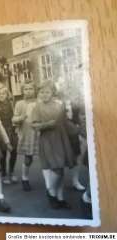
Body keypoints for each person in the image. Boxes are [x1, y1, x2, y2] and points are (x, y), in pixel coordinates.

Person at [31, 81, 76, 209]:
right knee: (57, 168)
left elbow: (65, 122)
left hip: (60, 139)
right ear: (39, 94)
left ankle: (60, 198)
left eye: (47, 92)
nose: (44, 94)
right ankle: (51, 192)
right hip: (47, 140)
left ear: (52, 93)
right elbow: (34, 125)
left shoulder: (58, 106)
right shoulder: (37, 108)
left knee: (60, 170)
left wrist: (78, 131)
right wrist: (46, 125)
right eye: (42, 92)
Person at [12, 82, 39, 191]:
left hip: (40, 132)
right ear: (23, 91)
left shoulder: (39, 102)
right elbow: (14, 119)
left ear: (34, 90)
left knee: (47, 156)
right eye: (26, 89)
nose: (28, 91)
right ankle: (25, 178)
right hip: (27, 132)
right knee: (28, 157)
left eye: (31, 88)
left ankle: (50, 182)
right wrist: (21, 118)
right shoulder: (19, 104)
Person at [0, 86, 18, 184]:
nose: (1, 96)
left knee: (14, 151)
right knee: (3, 153)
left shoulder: (11, 104)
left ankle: (11, 172)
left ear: (7, 95)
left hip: (12, 129)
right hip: (1, 131)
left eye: (3, 94)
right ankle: (3, 173)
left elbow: (16, 115)